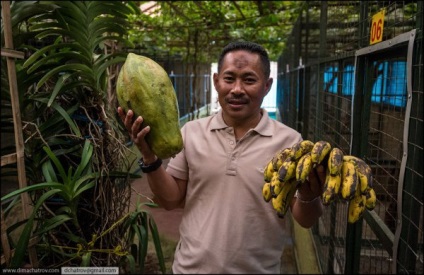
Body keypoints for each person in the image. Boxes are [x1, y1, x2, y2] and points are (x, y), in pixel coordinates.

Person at [117, 41, 326, 274]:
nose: (237, 89)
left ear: (267, 85)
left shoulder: (289, 143)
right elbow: (170, 200)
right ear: (217, 82)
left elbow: (305, 220)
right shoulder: (191, 132)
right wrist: (149, 156)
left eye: (249, 80)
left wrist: (308, 194)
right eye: (229, 79)